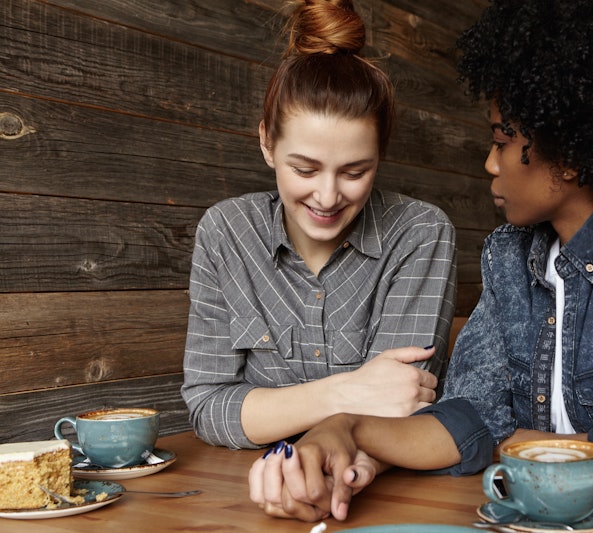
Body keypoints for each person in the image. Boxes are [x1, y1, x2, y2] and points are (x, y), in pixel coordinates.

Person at [248, 0, 593, 522]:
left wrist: (494, 441)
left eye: (502, 139)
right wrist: (346, 429)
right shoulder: (510, 254)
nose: (489, 162)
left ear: (573, 154)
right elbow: (466, 419)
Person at [181, 0, 457, 450]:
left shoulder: (420, 233)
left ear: (380, 155)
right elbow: (209, 406)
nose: (328, 197)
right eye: (305, 170)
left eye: (354, 172)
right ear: (267, 143)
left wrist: (271, 409)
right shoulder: (226, 232)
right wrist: (344, 391)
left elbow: (399, 404)